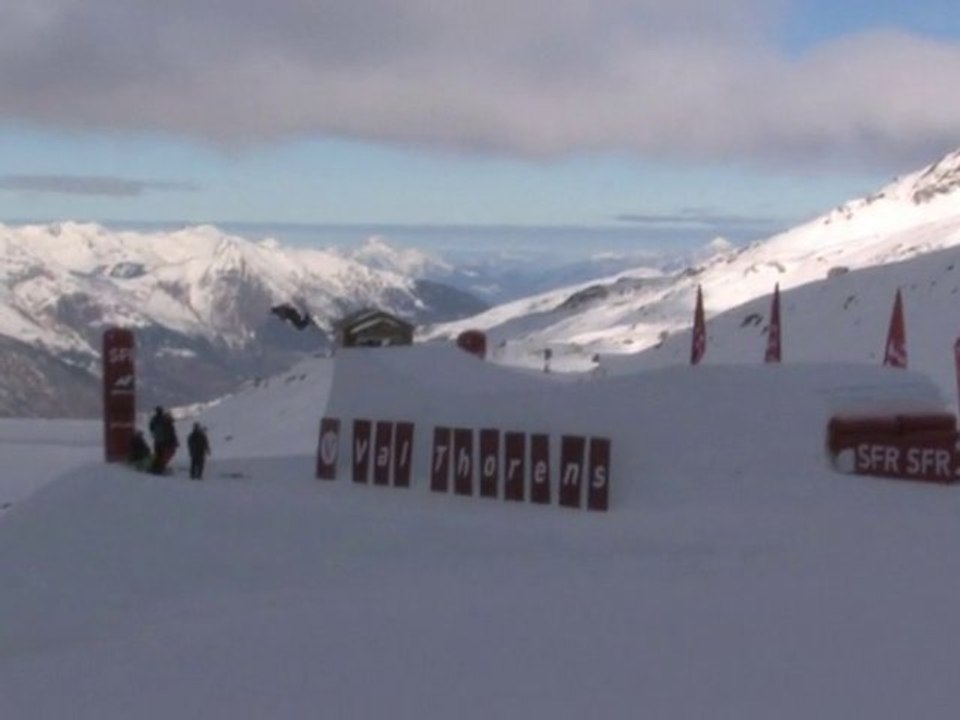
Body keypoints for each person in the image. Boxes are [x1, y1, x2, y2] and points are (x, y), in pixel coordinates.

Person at [149, 406, 179, 474]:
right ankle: (160, 468)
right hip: (165, 442)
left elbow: (151, 428)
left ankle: (155, 468)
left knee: (158, 455)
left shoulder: (154, 420)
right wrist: (175, 441)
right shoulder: (166, 422)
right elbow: (171, 433)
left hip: (157, 441)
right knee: (165, 455)